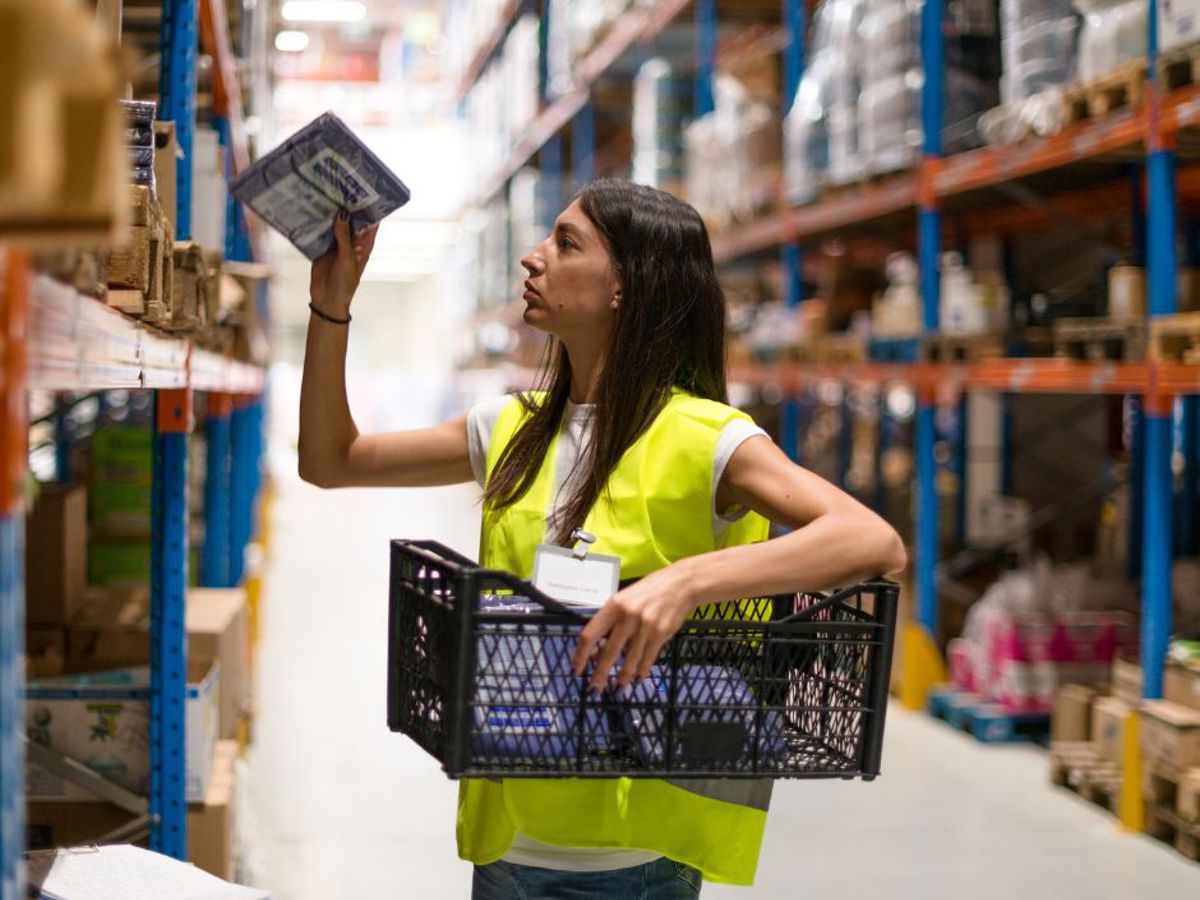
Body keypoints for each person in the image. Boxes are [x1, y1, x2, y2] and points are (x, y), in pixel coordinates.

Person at [299, 180, 906, 899]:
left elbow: (872, 541)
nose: (533, 259)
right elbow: (329, 461)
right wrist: (331, 304)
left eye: (565, 242)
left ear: (628, 286)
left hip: (635, 857)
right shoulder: (510, 427)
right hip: (507, 838)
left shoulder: (706, 438)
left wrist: (685, 583)